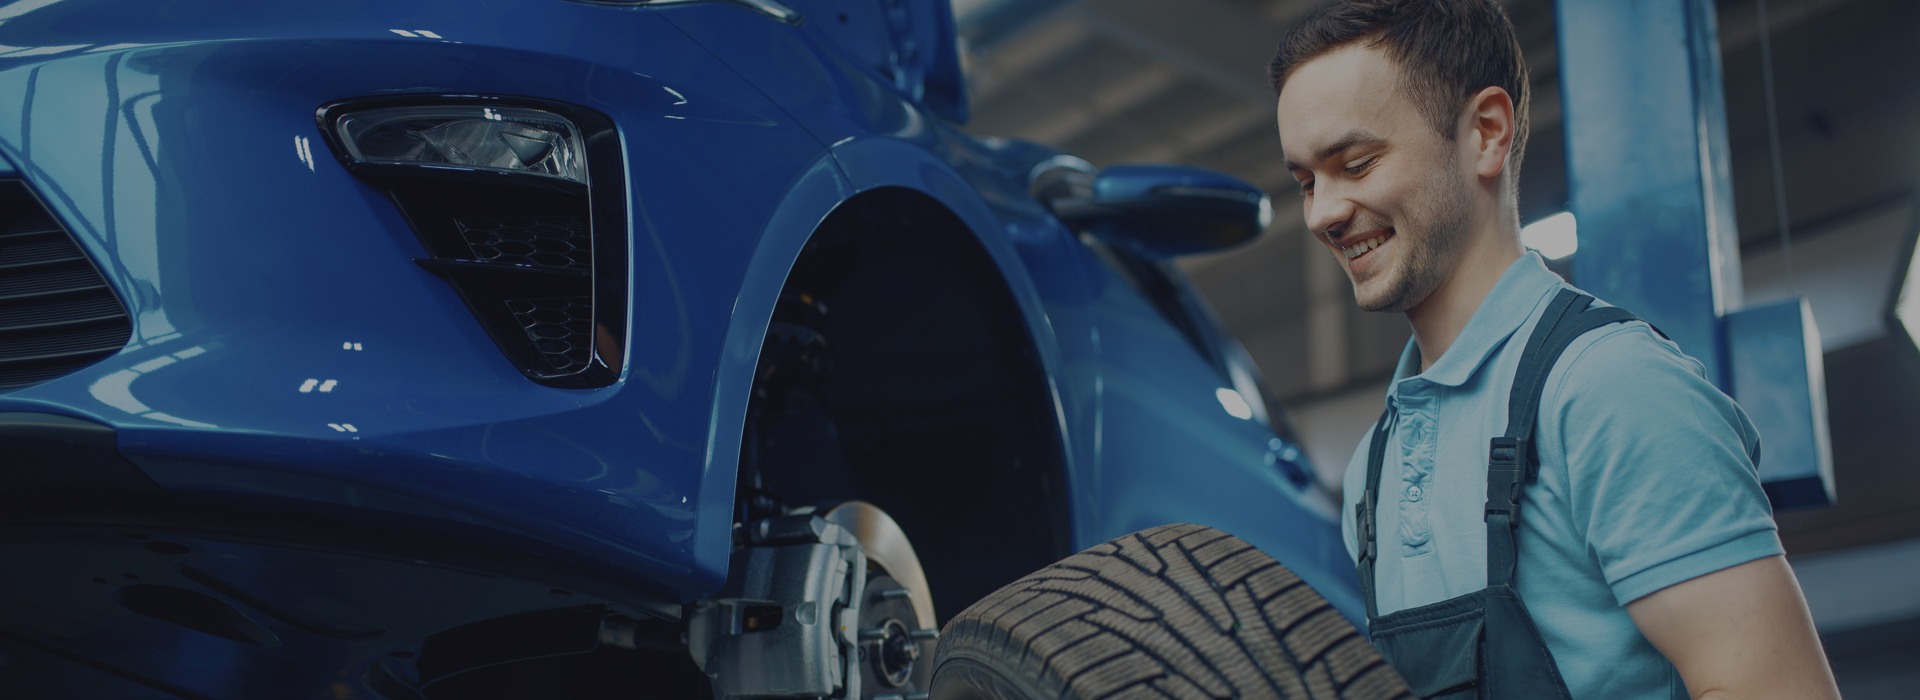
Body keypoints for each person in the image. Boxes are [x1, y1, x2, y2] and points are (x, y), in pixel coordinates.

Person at [1268, 1, 1841, 699]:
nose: (1322, 213)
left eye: (1355, 165)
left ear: (1486, 132)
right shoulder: (1372, 467)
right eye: (1307, 182)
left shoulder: (1610, 389)